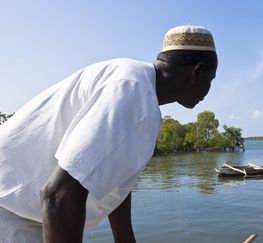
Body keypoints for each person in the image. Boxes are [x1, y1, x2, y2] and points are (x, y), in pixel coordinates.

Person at [0, 25, 217, 242]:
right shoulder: (132, 90)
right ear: (197, 72)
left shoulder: (138, 90)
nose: (209, 90)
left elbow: (117, 182)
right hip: (10, 215)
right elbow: (58, 196)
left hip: (30, 216)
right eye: (211, 79)